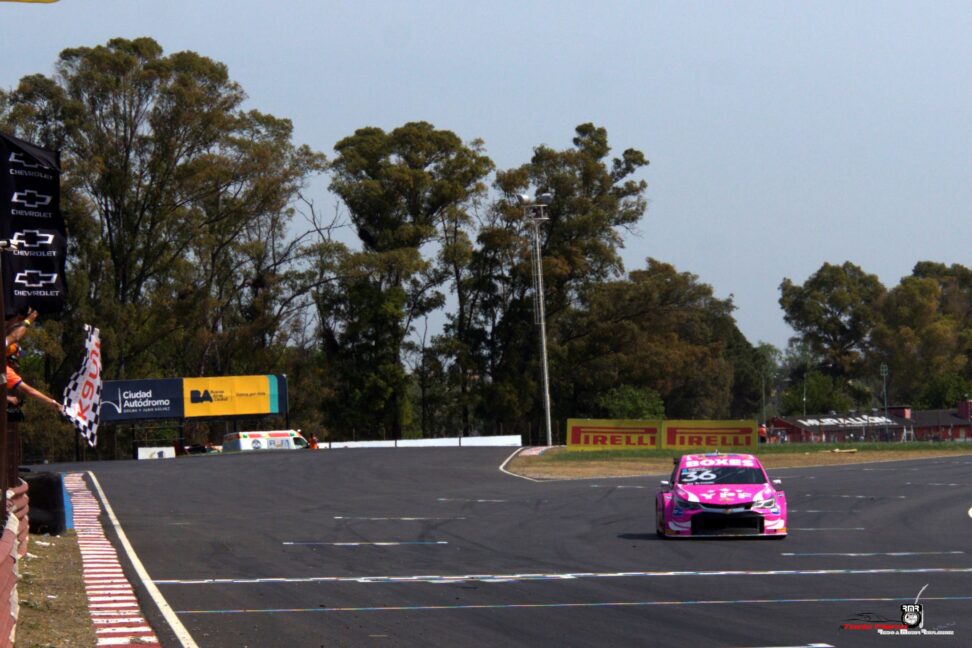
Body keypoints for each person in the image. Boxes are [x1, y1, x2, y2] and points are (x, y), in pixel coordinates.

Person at [6, 343, 62, 415]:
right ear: (12, 357)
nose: (19, 360)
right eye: (18, 356)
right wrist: (51, 402)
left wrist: (7, 398)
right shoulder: (7, 373)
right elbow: (30, 391)